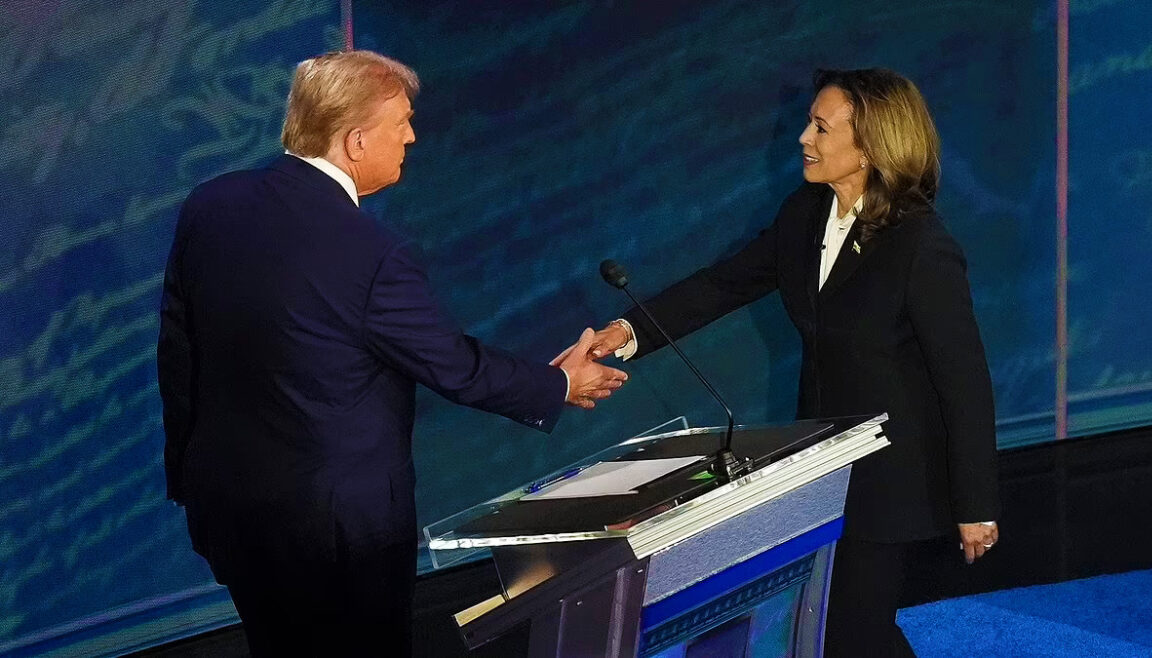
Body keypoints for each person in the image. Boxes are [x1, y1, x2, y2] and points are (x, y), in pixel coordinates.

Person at [156, 50, 627, 656]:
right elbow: (452, 365)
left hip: (233, 511)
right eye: (401, 121)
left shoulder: (212, 204)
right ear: (356, 141)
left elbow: (179, 354)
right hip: (338, 538)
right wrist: (558, 384)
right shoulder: (371, 252)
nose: (412, 136)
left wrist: (190, 479)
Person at [584, 68, 999, 656]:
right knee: (838, 632)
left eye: (821, 128)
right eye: (809, 122)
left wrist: (976, 503)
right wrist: (628, 331)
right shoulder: (804, 214)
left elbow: (964, 380)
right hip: (821, 468)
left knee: (854, 632)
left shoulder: (919, 245)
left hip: (891, 478)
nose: (804, 137)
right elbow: (723, 284)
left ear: (869, 146)